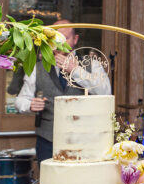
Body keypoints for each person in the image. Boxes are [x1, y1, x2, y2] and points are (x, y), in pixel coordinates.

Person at [15, 19, 111, 161]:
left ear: (75, 39)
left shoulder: (92, 64)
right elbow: (21, 100)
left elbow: (105, 92)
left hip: (85, 141)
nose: (59, 43)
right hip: (48, 141)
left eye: (64, 38)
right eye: (54, 39)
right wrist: (29, 105)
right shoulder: (38, 67)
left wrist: (75, 70)